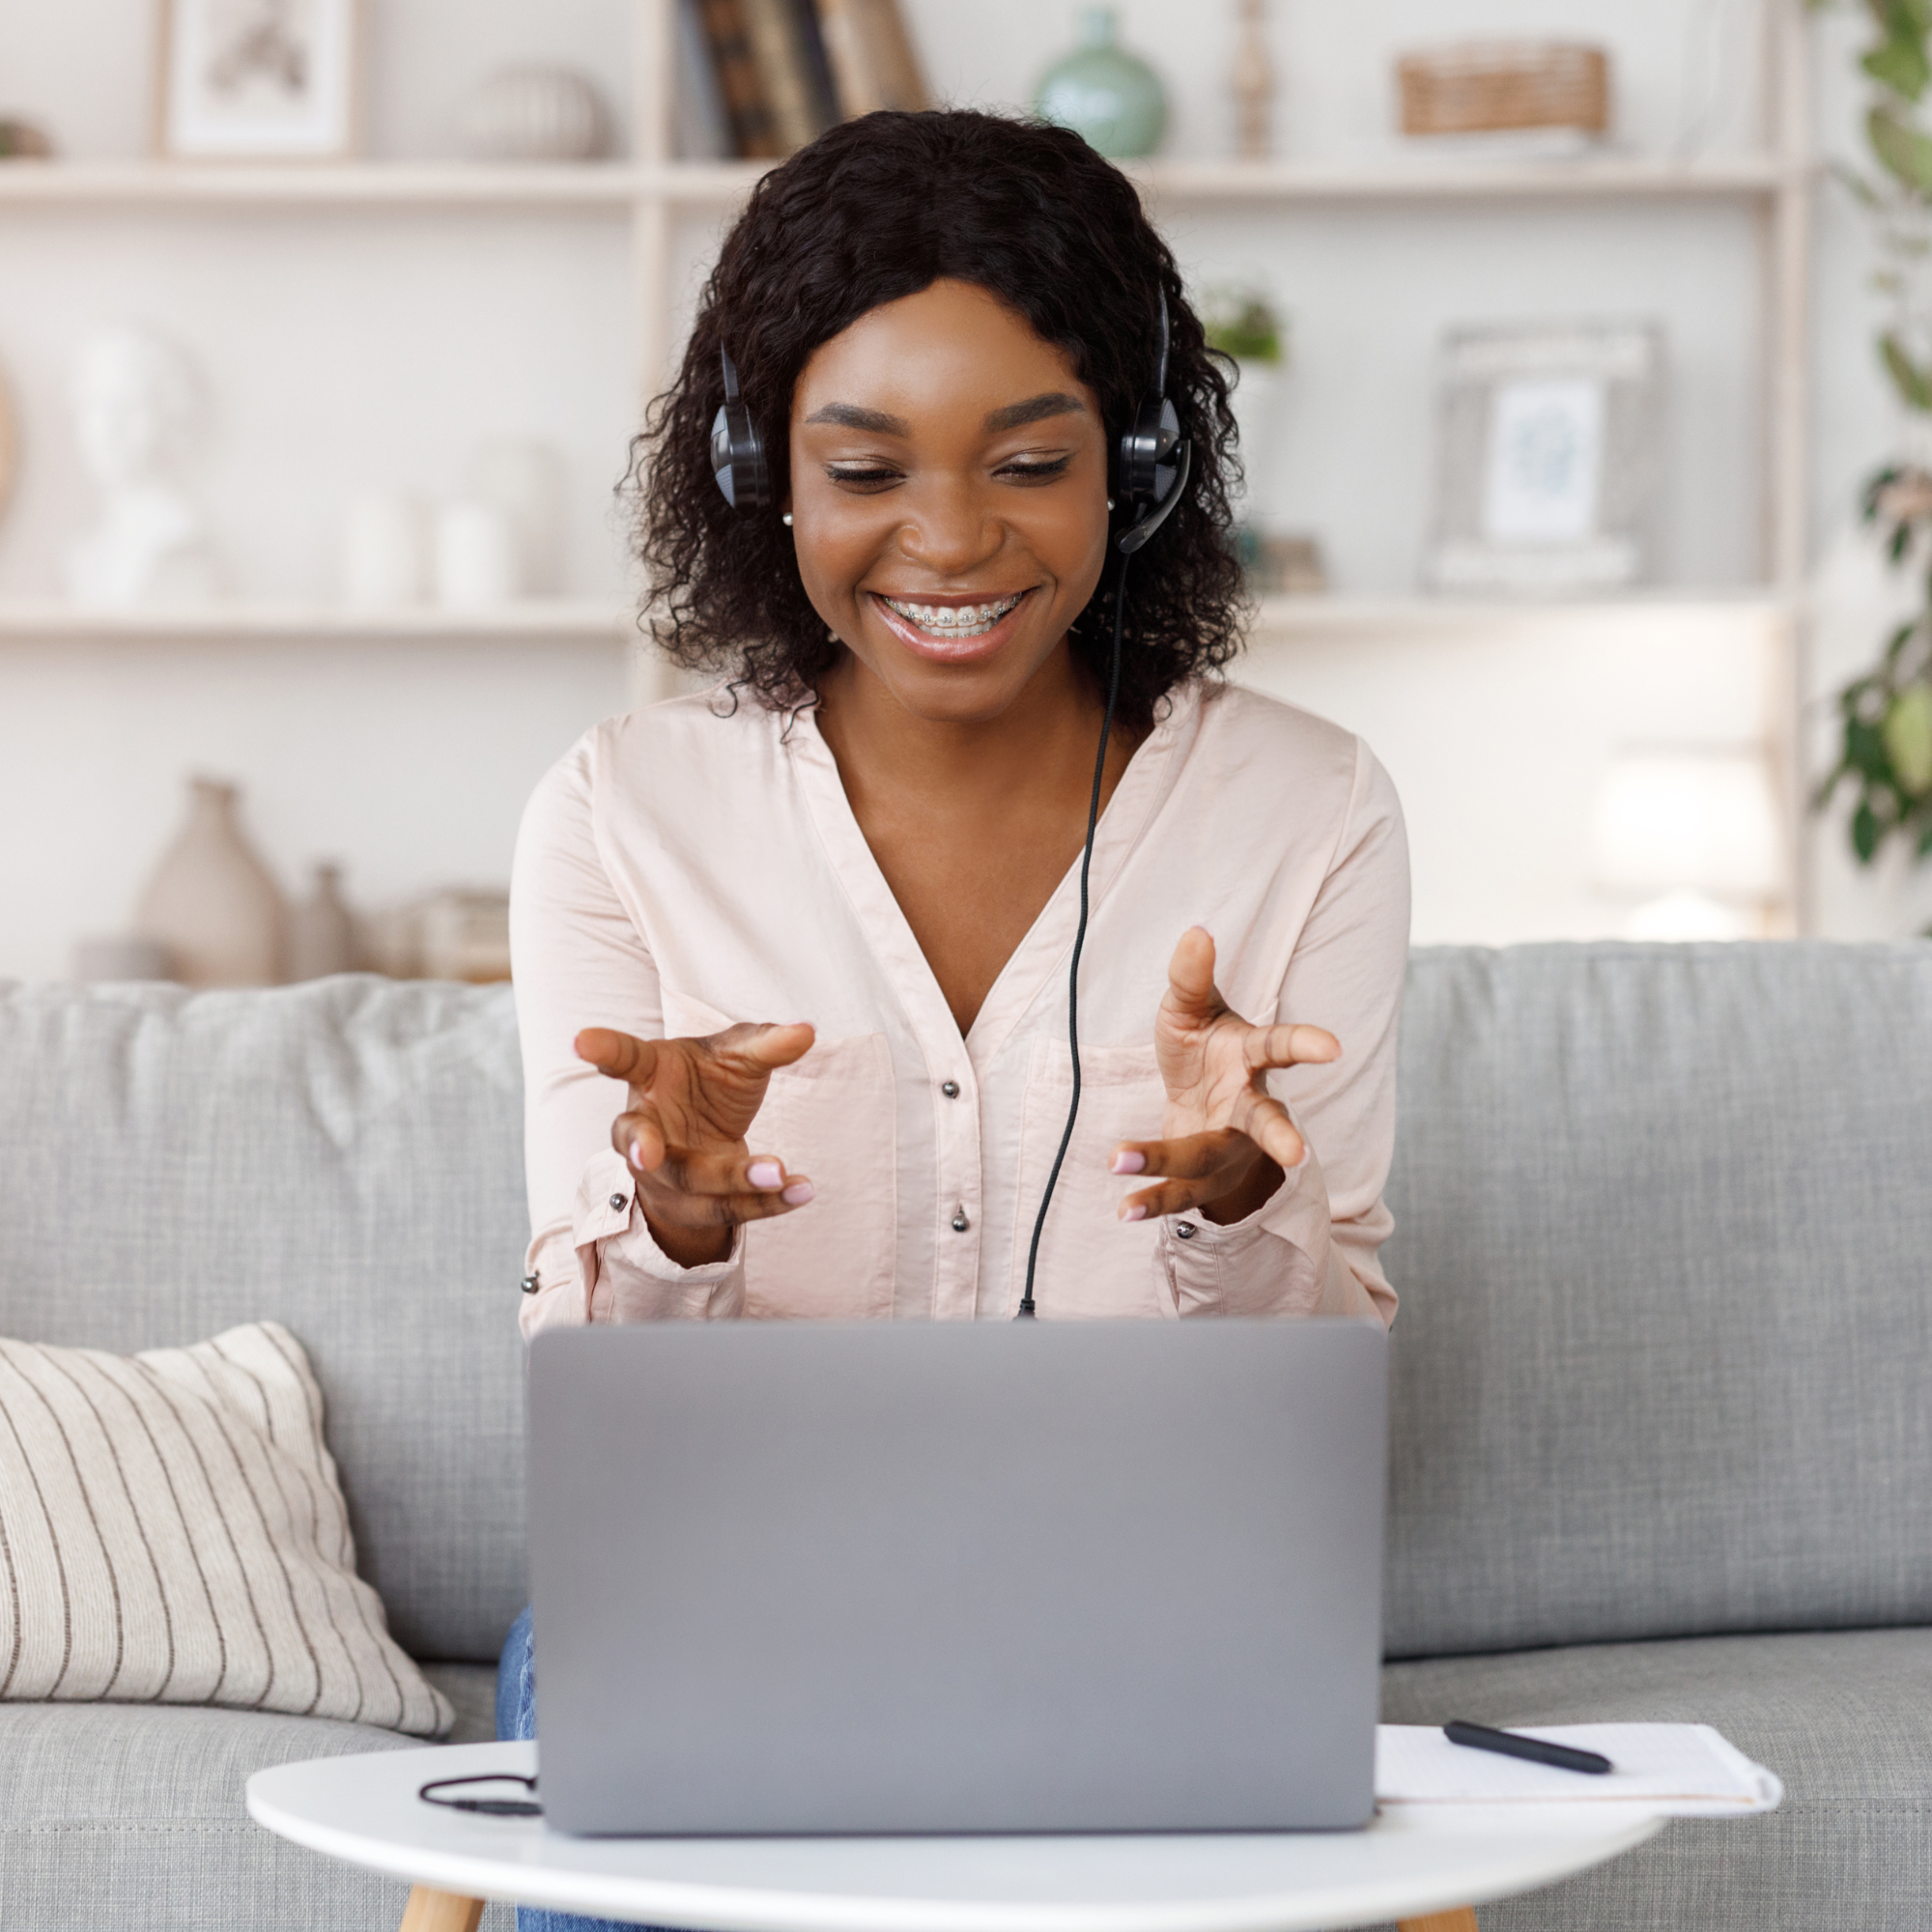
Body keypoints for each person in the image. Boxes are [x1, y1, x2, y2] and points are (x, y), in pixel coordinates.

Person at [497, 108, 1407, 1932]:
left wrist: (1240, 1203)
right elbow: (596, 1400)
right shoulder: (620, 812)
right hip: (714, 1587)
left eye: (1029, 461)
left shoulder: (1313, 810)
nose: (950, 539)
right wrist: (671, 1219)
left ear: (1134, 467)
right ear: (767, 474)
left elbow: (1326, 1391)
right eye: (866, 469)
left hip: (1157, 1598)